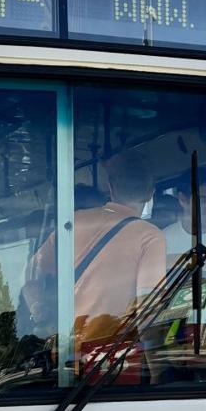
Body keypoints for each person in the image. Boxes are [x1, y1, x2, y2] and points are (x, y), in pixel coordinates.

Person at [31, 149, 166, 362]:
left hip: (68, 353)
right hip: (113, 360)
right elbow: (148, 309)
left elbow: (32, 277)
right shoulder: (150, 237)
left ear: (110, 186)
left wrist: (40, 313)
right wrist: (159, 372)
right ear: (151, 193)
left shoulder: (73, 222)